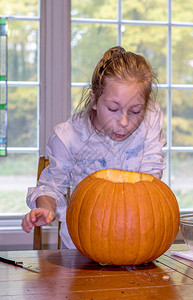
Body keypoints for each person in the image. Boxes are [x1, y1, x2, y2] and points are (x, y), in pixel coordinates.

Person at [21, 46, 166, 249]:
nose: (124, 122)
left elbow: (151, 176)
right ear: (94, 100)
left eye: (135, 111)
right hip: (82, 248)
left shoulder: (150, 119)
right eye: (113, 109)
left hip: (138, 243)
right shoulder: (69, 137)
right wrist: (45, 208)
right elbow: (51, 187)